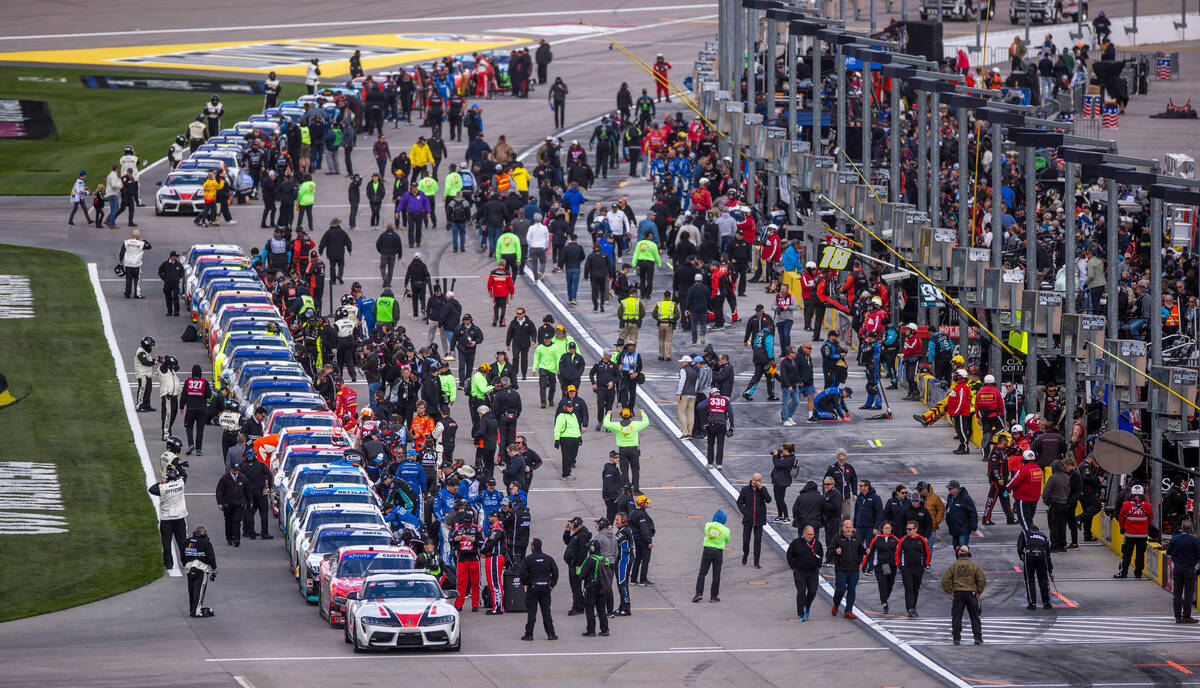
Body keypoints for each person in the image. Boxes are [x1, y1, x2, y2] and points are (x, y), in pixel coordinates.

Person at [148, 459, 188, 569]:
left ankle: (169, 564)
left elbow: (151, 489)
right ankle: (185, 562)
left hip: (166, 519)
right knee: (182, 542)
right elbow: (184, 475)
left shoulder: (162, 488)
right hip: (179, 517)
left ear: (167, 478)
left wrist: (161, 482)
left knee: (166, 543)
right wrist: (180, 468)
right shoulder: (181, 484)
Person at [941, 545, 985, 645]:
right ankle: (977, 637)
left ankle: (956, 638)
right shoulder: (974, 566)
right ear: (969, 554)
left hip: (958, 593)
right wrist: (979, 591)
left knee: (957, 616)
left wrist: (950, 591)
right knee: (975, 616)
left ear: (958, 554)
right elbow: (981, 579)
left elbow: (945, 580)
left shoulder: (954, 566)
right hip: (971, 593)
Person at [519, 538, 559, 641]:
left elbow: (522, 573)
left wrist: (525, 584)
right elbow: (555, 573)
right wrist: (551, 585)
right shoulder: (548, 559)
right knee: (546, 611)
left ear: (532, 547)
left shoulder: (528, 559)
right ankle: (551, 634)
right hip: (545, 588)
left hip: (533, 587)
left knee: (532, 612)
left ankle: (529, 635)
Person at [603, 408, 649, 492]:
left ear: (621, 416)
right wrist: (643, 413)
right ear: (630, 416)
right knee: (635, 470)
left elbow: (606, 424)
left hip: (623, 450)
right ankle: (636, 489)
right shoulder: (635, 425)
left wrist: (608, 414)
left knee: (624, 471)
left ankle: (627, 489)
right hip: (633, 450)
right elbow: (646, 422)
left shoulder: (617, 426)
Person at [1115, 484, 1153, 579]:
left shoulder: (1126, 505)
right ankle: (1138, 574)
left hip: (1129, 535)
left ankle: (1124, 573)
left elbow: (1121, 518)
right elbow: (1150, 518)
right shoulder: (1147, 506)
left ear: (1131, 494)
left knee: (1127, 555)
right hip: (1142, 535)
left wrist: (1122, 528)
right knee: (1140, 555)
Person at [861, 522, 900, 613]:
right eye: (886, 528)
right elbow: (869, 552)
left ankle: (884, 599)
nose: (888, 530)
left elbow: (900, 553)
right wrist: (864, 565)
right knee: (882, 584)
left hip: (891, 565)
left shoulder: (895, 539)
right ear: (882, 529)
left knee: (889, 585)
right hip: (880, 565)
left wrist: (900, 565)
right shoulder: (876, 539)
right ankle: (884, 604)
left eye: (889, 528)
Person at [787, 525, 823, 621]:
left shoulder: (817, 543)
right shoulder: (796, 543)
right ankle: (800, 614)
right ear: (803, 533)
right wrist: (793, 568)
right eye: (808, 534)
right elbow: (789, 554)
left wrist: (819, 566)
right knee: (801, 591)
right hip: (800, 572)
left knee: (812, 591)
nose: (810, 536)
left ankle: (807, 605)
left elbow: (821, 554)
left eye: (812, 534)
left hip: (813, 572)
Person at [829, 519, 864, 619]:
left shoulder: (857, 538)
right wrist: (836, 551)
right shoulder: (837, 538)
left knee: (852, 589)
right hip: (841, 569)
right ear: (843, 528)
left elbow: (861, 550)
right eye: (847, 527)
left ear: (853, 528)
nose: (849, 529)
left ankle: (848, 610)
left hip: (854, 569)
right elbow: (829, 552)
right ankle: (836, 604)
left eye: (850, 527)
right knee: (841, 589)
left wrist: (865, 551)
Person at [578, 541, 613, 637]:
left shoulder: (590, 560)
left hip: (591, 588)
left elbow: (581, 574)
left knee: (589, 609)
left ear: (592, 549)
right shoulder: (604, 559)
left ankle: (591, 630)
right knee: (601, 609)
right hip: (602, 587)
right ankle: (605, 629)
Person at [181, 525, 217, 617]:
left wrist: (185, 564)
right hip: (201, 569)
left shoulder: (187, 541)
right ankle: (196, 611)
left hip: (189, 568)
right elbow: (211, 558)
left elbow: (182, 555)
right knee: (199, 590)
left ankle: (192, 609)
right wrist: (214, 570)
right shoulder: (206, 543)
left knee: (191, 590)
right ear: (204, 533)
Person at [1167, 522, 1200, 623]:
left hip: (1177, 568)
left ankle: (1177, 617)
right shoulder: (1194, 540)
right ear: (1191, 529)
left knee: (1177, 593)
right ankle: (1187, 616)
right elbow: (1199, 555)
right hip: (1189, 568)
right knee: (1188, 593)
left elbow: (1168, 552)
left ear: (1181, 528)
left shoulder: (1175, 539)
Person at [898, 520, 931, 617]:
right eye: (907, 529)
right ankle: (910, 608)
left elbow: (927, 553)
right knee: (909, 588)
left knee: (915, 589)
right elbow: (897, 553)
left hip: (918, 568)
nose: (908, 531)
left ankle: (913, 608)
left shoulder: (922, 540)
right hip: (906, 568)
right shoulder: (903, 540)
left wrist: (925, 565)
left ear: (915, 529)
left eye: (910, 529)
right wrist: (900, 566)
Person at [737, 474, 771, 568]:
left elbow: (768, 500)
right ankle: (745, 554)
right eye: (753, 480)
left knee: (757, 541)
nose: (754, 482)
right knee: (746, 540)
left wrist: (762, 489)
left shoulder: (762, 490)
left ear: (760, 481)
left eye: (757, 480)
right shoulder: (745, 490)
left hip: (759, 520)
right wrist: (745, 512)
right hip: (748, 520)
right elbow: (739, 502)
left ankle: (756, 562)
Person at [1017, 524, 1053, 610]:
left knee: (1030, 579)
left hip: (1029, 554)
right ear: (1038, 531)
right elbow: (1048, 555)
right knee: (1043, 579)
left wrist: (1021, 556)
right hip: (1042, 555)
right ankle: (1046, 602)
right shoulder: (1044, 537)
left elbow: (1019, 547)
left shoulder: (1025, 532)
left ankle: (1032, 603)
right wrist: (1050, 571)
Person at [214, 463, 249, 547]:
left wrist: (249, 501)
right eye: (234, 470)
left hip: (239, 504)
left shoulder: (243, 478)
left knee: (236, 521)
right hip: (228, 504)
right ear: (231, 469)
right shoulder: (224, 478)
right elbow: (219, 491)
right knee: (228, 521)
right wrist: (220, 503)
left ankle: (237, 539)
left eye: (237, 470)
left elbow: (247, 490)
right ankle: (229, 538)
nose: (236, 472)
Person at [1007, 450, 1043, 530]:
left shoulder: (1023, 469)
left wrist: (1007, 487)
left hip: (1023, 499)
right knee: (1029, 519)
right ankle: (1032, 534)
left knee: (1024, 521)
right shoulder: (1038, 469)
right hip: (1034, 498)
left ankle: (1030, 538)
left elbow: (1014, 481)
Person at [181, 365, 210, 456]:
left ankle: (191, 444)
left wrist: (181, 407)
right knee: (200, 429)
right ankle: (199, 449)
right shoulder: (204, 382)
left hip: (190, 409)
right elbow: (209, 395)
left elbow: (184, 395)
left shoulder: (188, 382)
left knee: (189, 427)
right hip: (202, 409)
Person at [629, 494, 655, 585]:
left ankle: (633, 579)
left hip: (636, 539)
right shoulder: (642, 515)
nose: (647, 504)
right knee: (645, 559)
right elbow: (644, 530)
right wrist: (649, 541)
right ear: (642, 504)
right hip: (643, 540)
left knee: (638, 558)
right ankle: (643, 580)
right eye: (646, 502)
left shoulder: (633, 513)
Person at [945, 480, 978, 551]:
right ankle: (959, 562)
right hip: (954, 529)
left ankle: (966, 562)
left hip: (963, 529)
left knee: (963, 550)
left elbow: (973, 512)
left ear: (956, 489)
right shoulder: (950, 498)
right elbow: (948, 511)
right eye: (948, 488)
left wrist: (973, 527)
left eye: (950, 488)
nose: (949, 490)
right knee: (956, 549)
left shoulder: (965, 498)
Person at [119, 229, 150, 299]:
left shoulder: (126, 242)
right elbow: (149, 246)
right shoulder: (141, 243)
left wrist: (121, 261)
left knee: (128, 279)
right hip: (136, 264)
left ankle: (127, 293)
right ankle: (137, 294)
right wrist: (144, 240)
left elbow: (122, 252)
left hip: (128, 264)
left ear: (132, 235)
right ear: (139, 236)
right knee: (137, 280)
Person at [770, 444, 797, 522]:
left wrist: (775, 456)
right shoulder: (785, 457)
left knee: (781, 499)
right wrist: (777, 455)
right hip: (777, 481)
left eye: (782, 450)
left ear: (786, 450)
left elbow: (777, 464)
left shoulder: (789, 459)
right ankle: (780, 515)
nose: (781, 451)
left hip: (782, 481)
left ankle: (786, 517)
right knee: (777, 499)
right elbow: (779, 463)